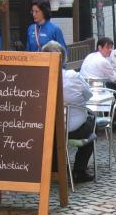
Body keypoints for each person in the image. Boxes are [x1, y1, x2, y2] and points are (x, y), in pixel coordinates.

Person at [41, 41, 96, 183]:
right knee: (91, 123)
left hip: (47, 130)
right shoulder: (73, 77)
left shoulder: (39, 80)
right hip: (74, 130)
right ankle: (79, 170)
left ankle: (56, 168)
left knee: (55, 131)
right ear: (63, 58)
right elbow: (88, 95)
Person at [81, 37, 116, 119]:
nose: (110, 50)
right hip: (98, 91)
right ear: (100, 47)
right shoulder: (102, 61)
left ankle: (115, 115)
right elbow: (115, 78)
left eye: (111, 47)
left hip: (85, 88)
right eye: (107, 47)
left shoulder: (90, 56)